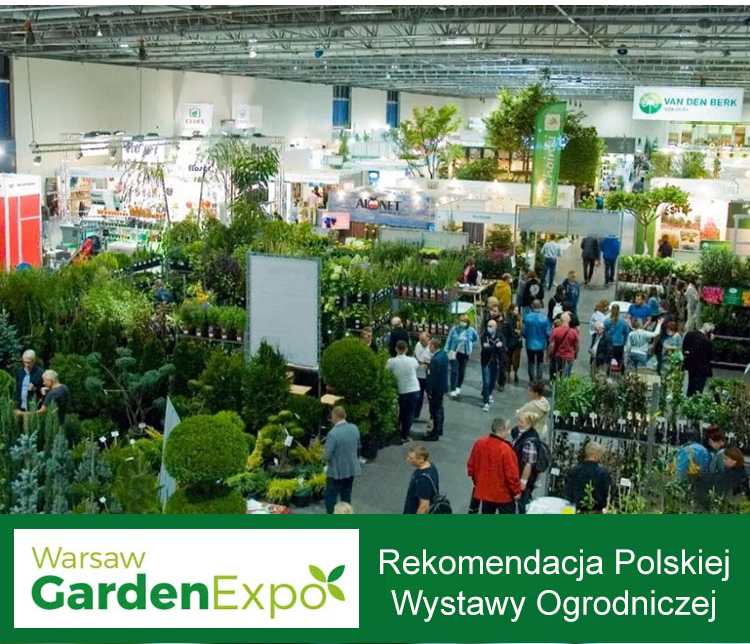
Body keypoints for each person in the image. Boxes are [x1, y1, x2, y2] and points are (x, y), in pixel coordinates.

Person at [466, 418, 522, 514]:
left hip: (486, 492)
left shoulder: (480, 443)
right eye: (507, 429)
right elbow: (511, 475)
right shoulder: (506, 449)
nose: (508, 432)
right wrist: (516, 491)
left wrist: (477, 481)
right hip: (503, 495)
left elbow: (472, 465)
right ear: (501, 430)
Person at [322, 406, 362, 514]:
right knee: (346, 495)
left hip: (336, 472)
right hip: (351, 469)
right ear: (345, 415)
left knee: (330, 497)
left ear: (334, 417)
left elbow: (326, 456)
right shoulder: (354, 428)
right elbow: (358, 448)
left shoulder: (333, 434)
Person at [386, 341, 421, 444]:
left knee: (402, 411)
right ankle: (405, 435)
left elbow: (386, 372)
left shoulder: (391, 362)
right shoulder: (412, 361)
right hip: (413, 389)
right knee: (409, 414)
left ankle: (398, 429)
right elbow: (417, 367)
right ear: (406, 349)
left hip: (401, 390)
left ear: (396, 349)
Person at [564, 441, 612, 513]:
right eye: (601, 454)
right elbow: (608, 495)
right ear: (597, 455)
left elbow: (568, 494)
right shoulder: (604, 474)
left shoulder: (574, 471)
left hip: (577, 511)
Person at [511, 412, 542, 514]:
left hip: (525, 477)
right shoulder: (522, 433)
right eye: (519, 420)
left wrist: (523, 482)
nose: (518, 423)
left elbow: (529, 464)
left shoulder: (529, 442)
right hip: (519, 473)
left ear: (529, 424)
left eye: (521, 422)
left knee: (523, 503)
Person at [445, 314, 479, 398]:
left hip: (465, 353)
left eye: (464, 321)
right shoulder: (454, 329)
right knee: (454, 371)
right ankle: (452, 389)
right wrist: (446, 350)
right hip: (454, 352)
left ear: (467, 322)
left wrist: (471, 345)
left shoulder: (471, 330)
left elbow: (476, 338)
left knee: (461, 371)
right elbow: (449, 340)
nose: (462, 322)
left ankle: (458, 387)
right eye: (461, 321)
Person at [424, 338, 449, 441]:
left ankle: (435, 433)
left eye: (430, 345)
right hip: (441, 386)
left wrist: (428, 390)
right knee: (439, 409)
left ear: (433, 346)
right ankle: (439, 429)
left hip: (435, 388)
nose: (429, 347)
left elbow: (432, 377)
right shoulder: (443, 354)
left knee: (435, 410)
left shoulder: (435, 360)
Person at [403, 443, 439, 514]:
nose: (408, 459)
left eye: (411, 458)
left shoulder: (423, 480)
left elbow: (424, 506)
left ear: (421, 459)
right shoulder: (431, 467)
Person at [521, 300, 551, 384]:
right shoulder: (545, 319)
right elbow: (548, 333)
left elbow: (523, 331)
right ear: (540, 306)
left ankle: (532, 380)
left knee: (531, 361)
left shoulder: (527, 317)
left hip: (530, 343)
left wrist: (527, 337)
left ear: (532, 306)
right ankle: (539, 379)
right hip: (541, 344)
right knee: (540, 361)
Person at [682, 323, 714, 396]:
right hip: (702, 367)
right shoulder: (706, 340)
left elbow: (684, 348)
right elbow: (710, 355)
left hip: (690, 364)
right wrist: (711, 341)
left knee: (689, 386)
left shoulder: (689, 334)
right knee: (698, 389)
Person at [479, 320, 504, 412]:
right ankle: (486, 402)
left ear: (496, 327)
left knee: (493, 381)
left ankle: (488, 394)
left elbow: (502, 347)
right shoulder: (484, 336)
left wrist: (492, 346)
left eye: (491, 326)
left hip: (496, 362)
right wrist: (496, 346)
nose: (489, 328)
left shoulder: (500, 336)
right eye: (488, 326)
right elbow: (485, 348)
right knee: (486, 381)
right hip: (486, 362)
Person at [548, 312, 579, 380]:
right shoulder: (573, 332)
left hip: (558, 356)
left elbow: (552, 345)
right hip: (569, 357)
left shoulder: (556, 330)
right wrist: (575, 354)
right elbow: (576, 346)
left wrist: (549, 354)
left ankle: (555, 386)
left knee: (555, 375)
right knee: (566, 376)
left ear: (561, 320)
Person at [604, 304, 630, 372]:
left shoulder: (607, 321)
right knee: (620, 359)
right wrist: (624, 342)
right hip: (619, 344)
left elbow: (604, 332)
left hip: (609, 343)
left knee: (608, 360)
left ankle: (607, 373)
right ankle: (622, 373)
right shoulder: (623, 322)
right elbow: (626, 333)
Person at [413, 332, 432, 420]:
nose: (421, 342)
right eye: (420, 340)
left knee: (430, 396)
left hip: (428, 375)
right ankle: (416, 413)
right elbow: (415, 355)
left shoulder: (432, 347)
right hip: (419, 374)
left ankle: (432, 416)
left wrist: (426, 363)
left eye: (423, 340)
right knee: (418, 396)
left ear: (428, 339)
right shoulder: (418, 345)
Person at [502, 304, 522, 385]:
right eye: (515, 310)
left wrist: (519, 332)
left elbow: (521, 329)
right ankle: (508, 373)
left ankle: (516, 372)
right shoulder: (506, 320)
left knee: (516, 359)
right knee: (508, 359)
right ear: (511, 310)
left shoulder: (519, 319)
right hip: (508, 342)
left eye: (517, 310)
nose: (516, 312)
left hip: (517, 343)